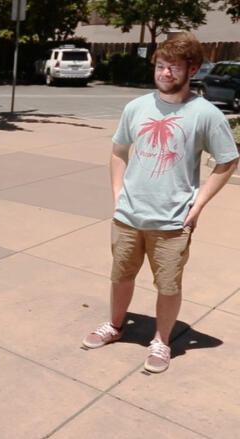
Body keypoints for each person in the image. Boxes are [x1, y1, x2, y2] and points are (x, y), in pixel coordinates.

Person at [82, 32, 239, 373]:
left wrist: (197, 206)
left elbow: (228, 161)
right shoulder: (136, 107)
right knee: (121, 275)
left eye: (174, 67)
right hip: (128, 216)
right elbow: (118, 151)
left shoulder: (206, 114)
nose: (166, 73)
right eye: (161, 65)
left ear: (192, 70)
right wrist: (117, 193)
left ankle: (161, 340)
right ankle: (115, 325)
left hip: (172, 222)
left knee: (168, 285)